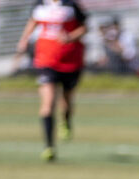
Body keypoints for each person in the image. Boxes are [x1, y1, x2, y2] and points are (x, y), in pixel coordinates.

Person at [16, 0, 89, 162]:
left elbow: (84, 28)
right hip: (46, 61)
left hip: (71, 61)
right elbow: (32, 21)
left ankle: (66, 120)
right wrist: (24, 40)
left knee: (66, 101)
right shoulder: (39, 5)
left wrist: (70, 37)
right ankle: (49, 146)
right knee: (48, 104)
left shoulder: (71, 5)